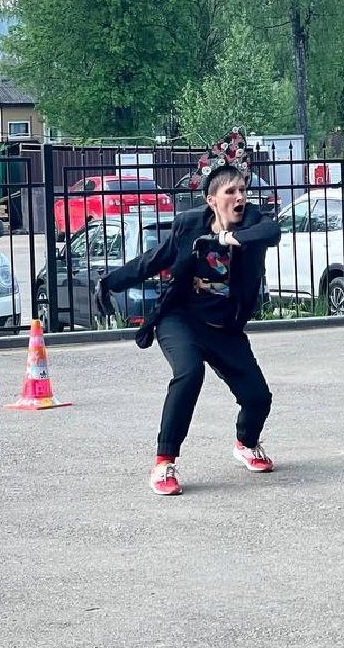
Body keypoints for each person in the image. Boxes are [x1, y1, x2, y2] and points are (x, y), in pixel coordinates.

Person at [97, 165, 281, 496]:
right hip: (180, 318)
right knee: (189, 373)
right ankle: (164, 462)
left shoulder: (254, 221)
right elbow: (157, 258)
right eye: (230, 192)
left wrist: (230, 237)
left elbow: (271, 233)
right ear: (212, 200)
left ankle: (246, 443)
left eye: (242, 190)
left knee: (258, 398)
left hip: (224, 328)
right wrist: (111, 282)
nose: (239, 197)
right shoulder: (189, 225)